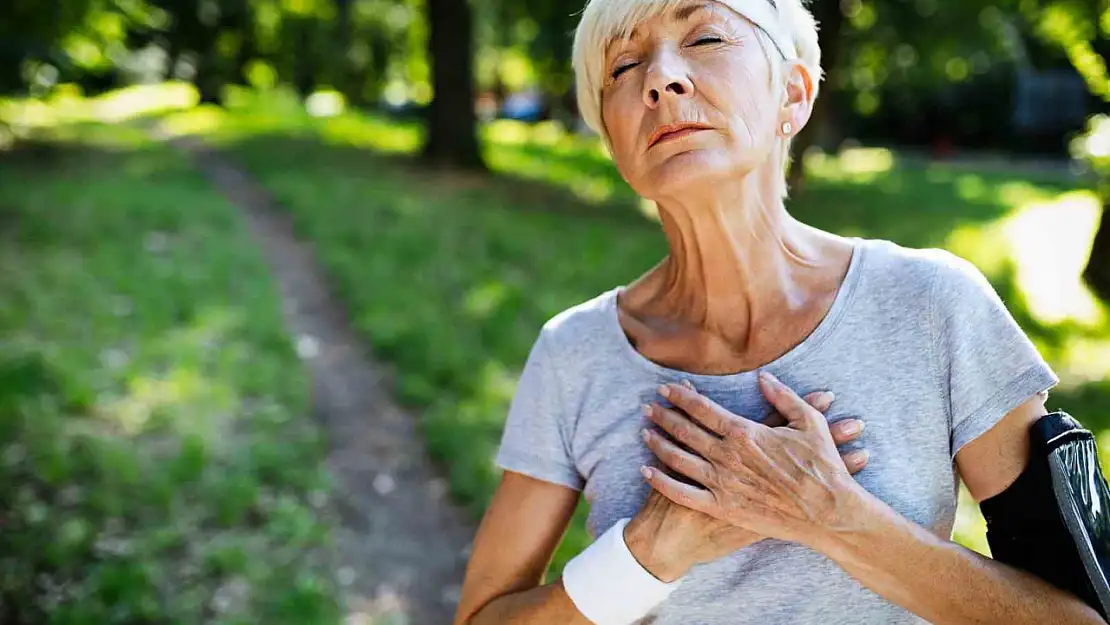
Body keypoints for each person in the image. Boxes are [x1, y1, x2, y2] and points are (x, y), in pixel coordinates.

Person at [451, 0, 1103, 623]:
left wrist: (831, 515)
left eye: (704, 38)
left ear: (793, 93)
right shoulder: (573, 353)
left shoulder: (936, 305)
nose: (661, 80)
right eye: (623, 68)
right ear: (612, 136)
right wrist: (650, 550)